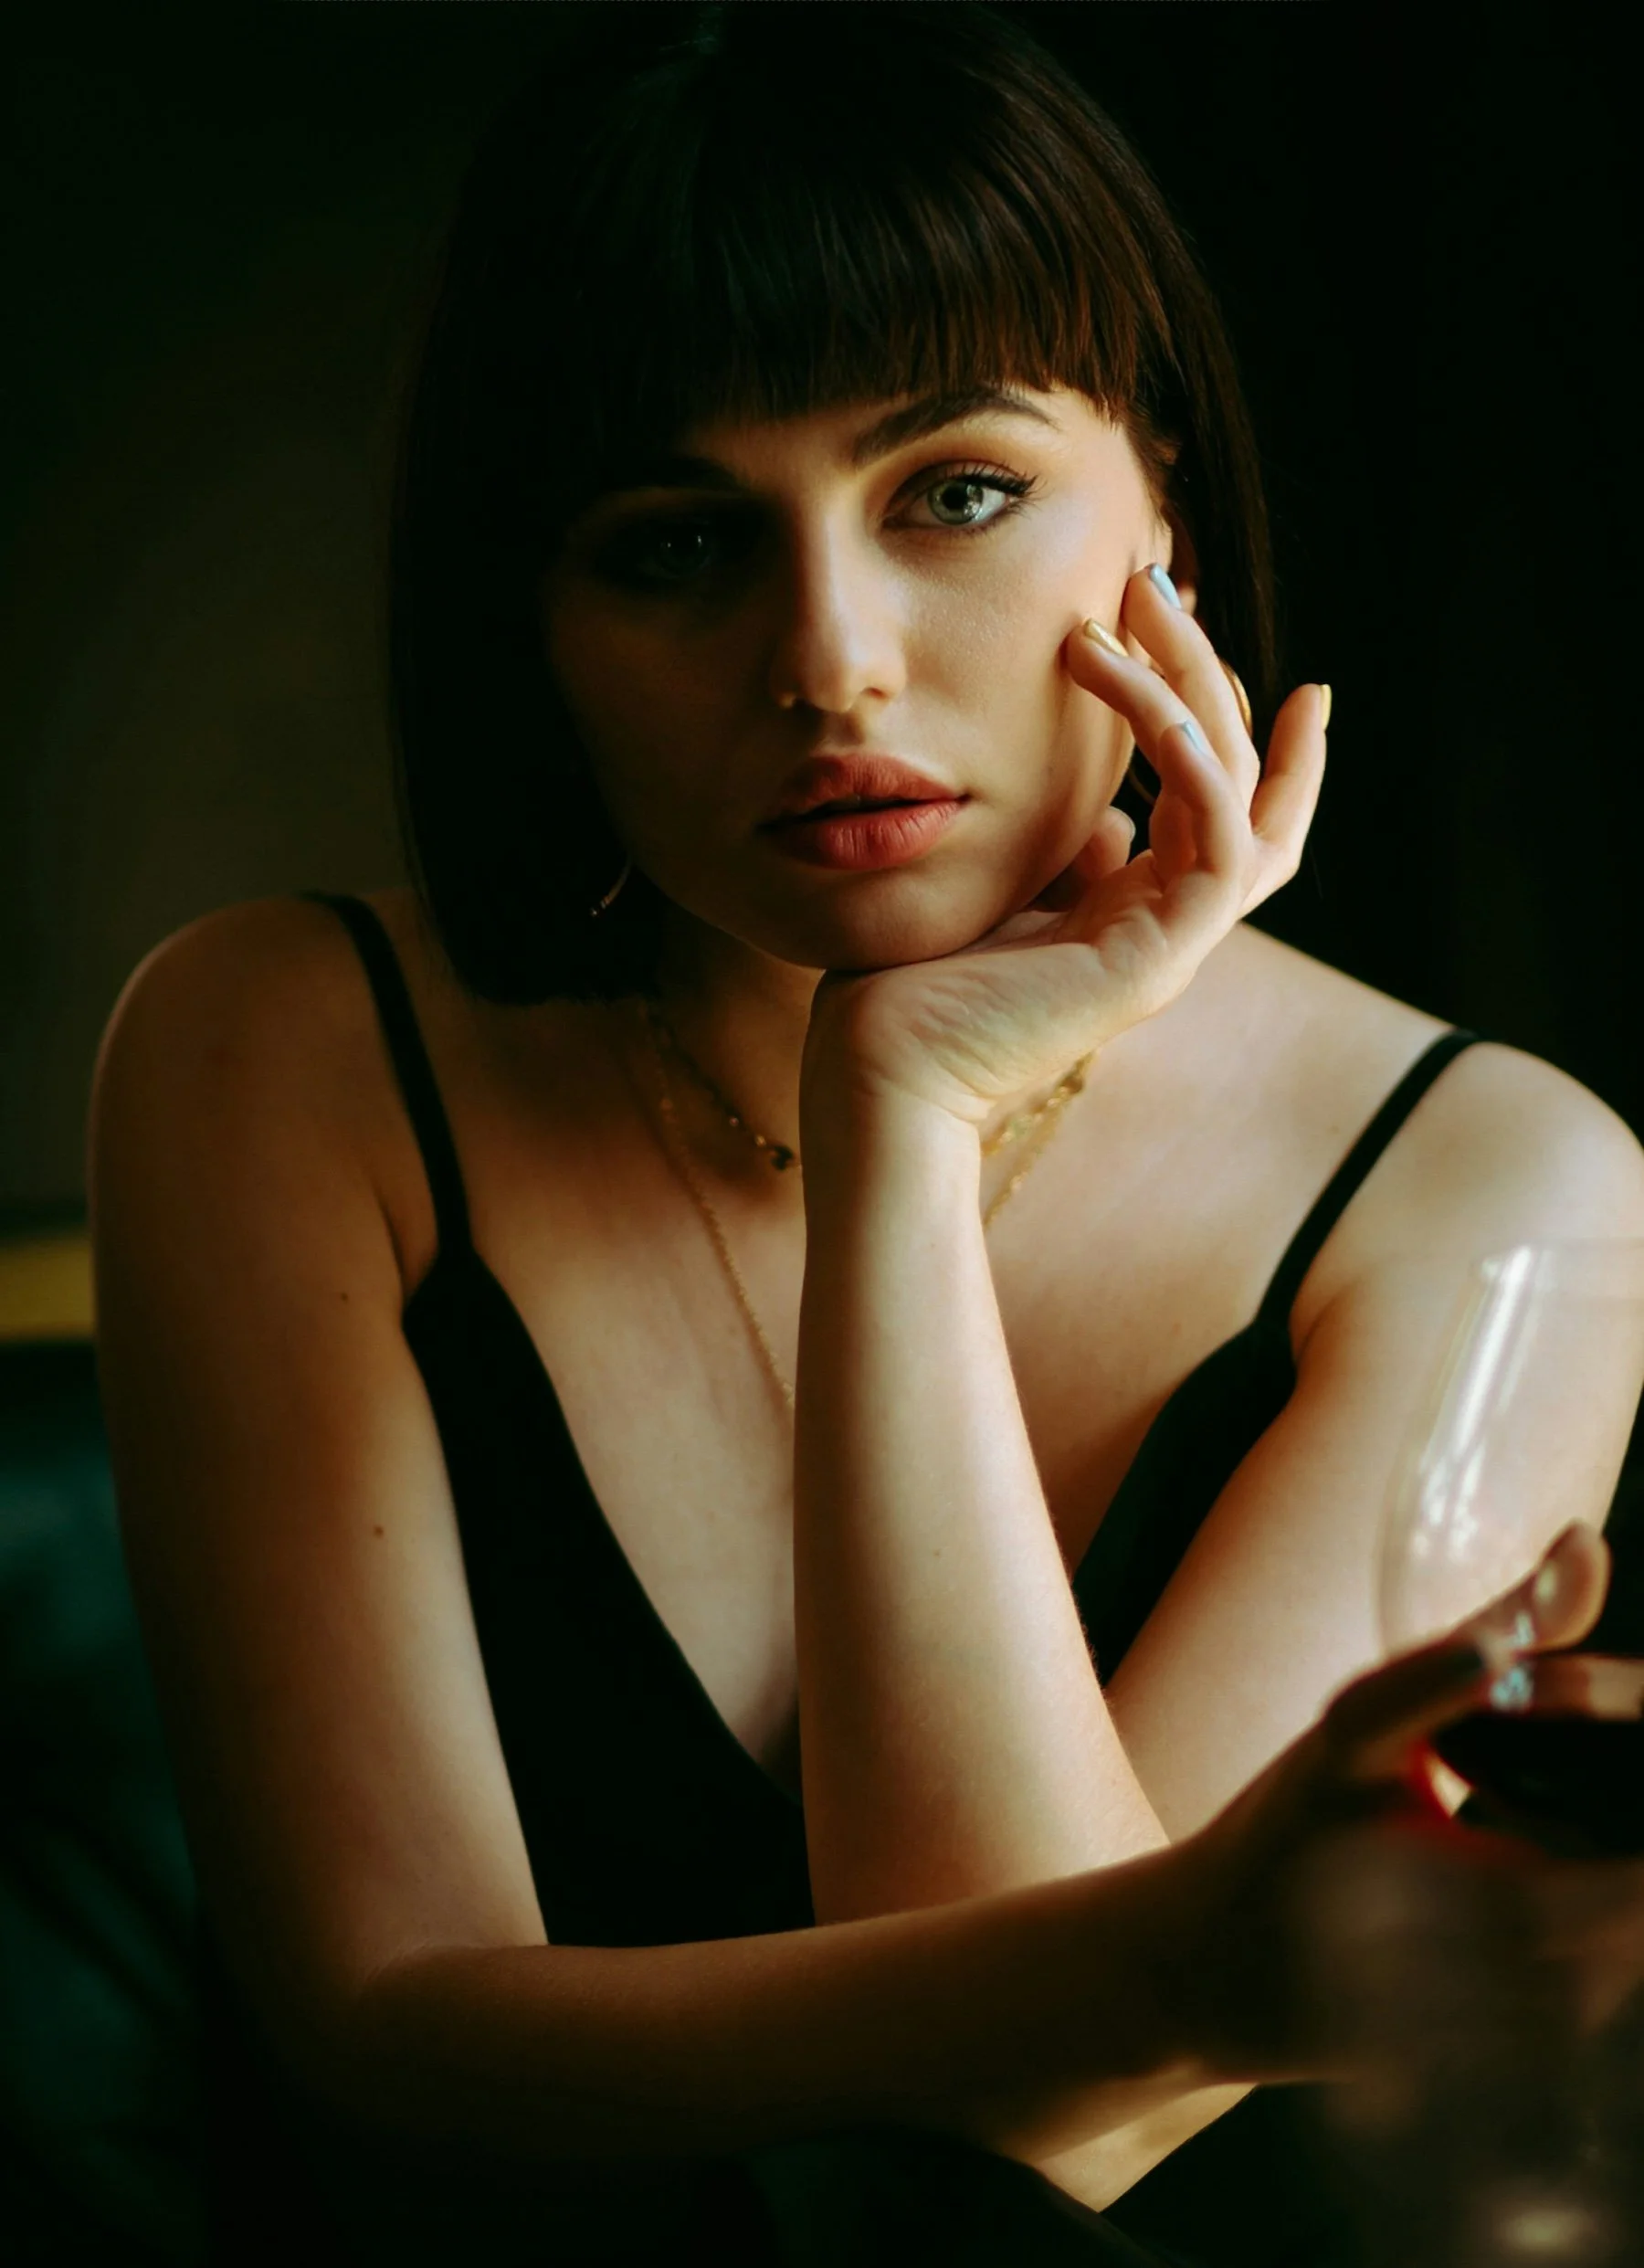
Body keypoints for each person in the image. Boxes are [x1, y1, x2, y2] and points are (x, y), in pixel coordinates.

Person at [87, 7, 1644, 2263]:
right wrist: (1188, 1955)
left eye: (957, 492)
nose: (830, 660)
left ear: (1166, 502)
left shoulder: (1500, 1185)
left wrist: (899, 1125)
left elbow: (1052, 2143)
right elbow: (388, 2027)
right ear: (532, 623)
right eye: (672, 543)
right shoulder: (276, 1050)